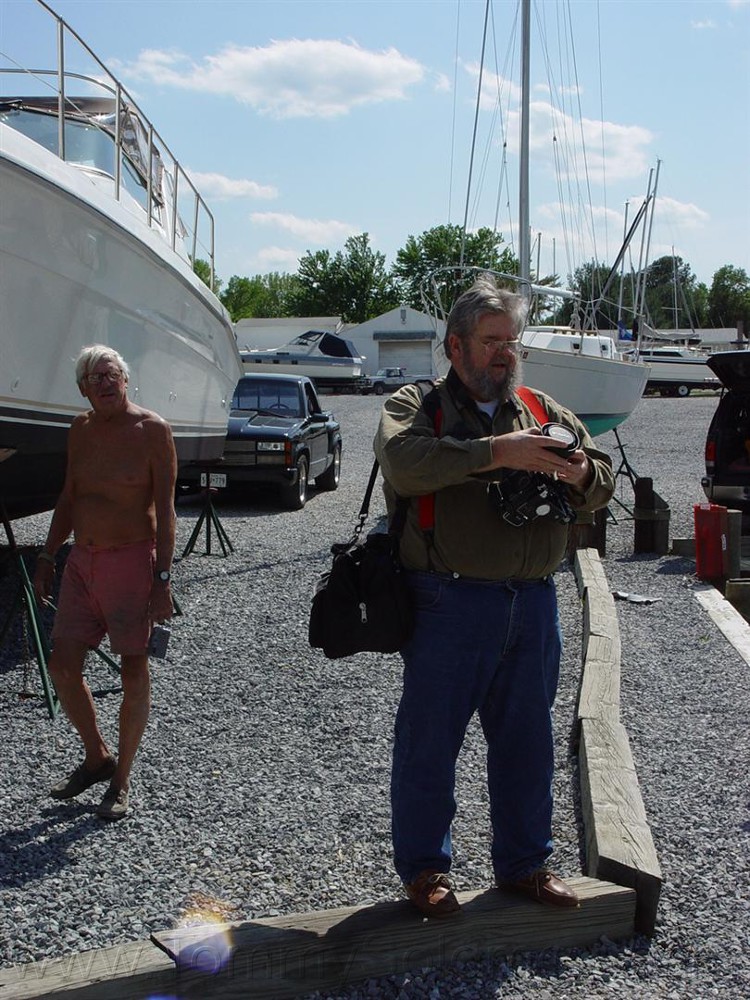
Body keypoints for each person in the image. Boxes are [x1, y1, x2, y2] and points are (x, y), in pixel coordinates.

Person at [373, 275, 615, 916]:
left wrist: (580, 470)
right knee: (430, 742)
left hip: (534, 602)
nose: (506, 354)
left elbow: (602, 479)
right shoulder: (416, 405)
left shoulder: (539, 408)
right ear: (455, 347)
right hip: (447, 602)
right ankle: (425, 871)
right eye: (491, 342)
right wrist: (496, 452)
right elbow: (403, 463)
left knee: (529, 741)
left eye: (513, 342)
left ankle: (525, 866)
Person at [33, 345, 177, 821]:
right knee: (61, 667)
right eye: (93, 378)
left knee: (134, 669)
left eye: (110, 373)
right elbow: (70, 495)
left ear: (126, 378)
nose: (103, 383)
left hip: (132, 562)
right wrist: (49, 556)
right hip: (82, 563)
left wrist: (162, 579)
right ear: (82, 390)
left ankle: (122, 780)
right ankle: (97, 758)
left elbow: (167, 510)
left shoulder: (152, 430)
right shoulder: (81, 429)